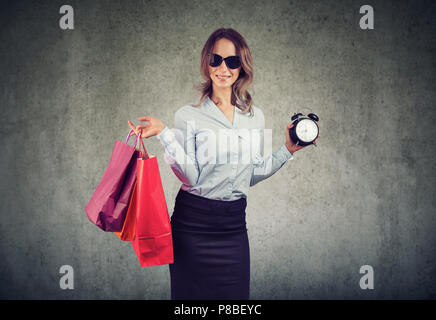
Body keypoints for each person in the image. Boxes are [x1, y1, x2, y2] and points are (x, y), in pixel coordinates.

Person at [127, 28, 319, 300]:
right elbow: (190, 177)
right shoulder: (187, 115)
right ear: (207, 62)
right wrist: (164, 134)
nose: (223, 68)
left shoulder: (256, 117)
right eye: (216, 59)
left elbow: (250, 174)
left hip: (232, 229)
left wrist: (287, 150)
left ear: (242, 66)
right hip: (192, 227)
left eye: (232, 61)